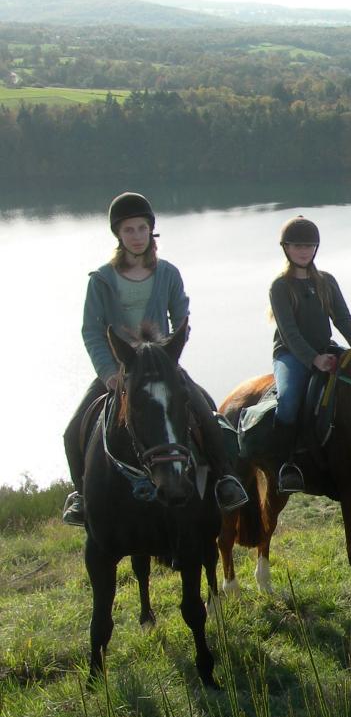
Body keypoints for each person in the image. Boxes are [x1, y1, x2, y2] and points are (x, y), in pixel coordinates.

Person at [61, 192, 249, 525]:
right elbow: (91, 331)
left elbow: (182, 319)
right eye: (129, 230)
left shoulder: (168, 273)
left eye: (141, 229)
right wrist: (108, 373)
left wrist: (165, 356)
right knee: (72, 430)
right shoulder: (101, 280)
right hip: (118, 371)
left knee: (207, 414)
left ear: (151, 231)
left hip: (162, 368)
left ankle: (224, 480)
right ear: (118, 235)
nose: (136, 236)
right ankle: (82, 496)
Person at [268, 216, 351, 493]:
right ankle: (286, 464)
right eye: (297, 245)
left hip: (325, 349)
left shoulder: (327, 282)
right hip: (291, 355)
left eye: (308, 245)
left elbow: (344, 320)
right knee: (289, 400)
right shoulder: (280, 287)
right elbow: (290, 333)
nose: (303, 251)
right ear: (286, 248)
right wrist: (313, 360)